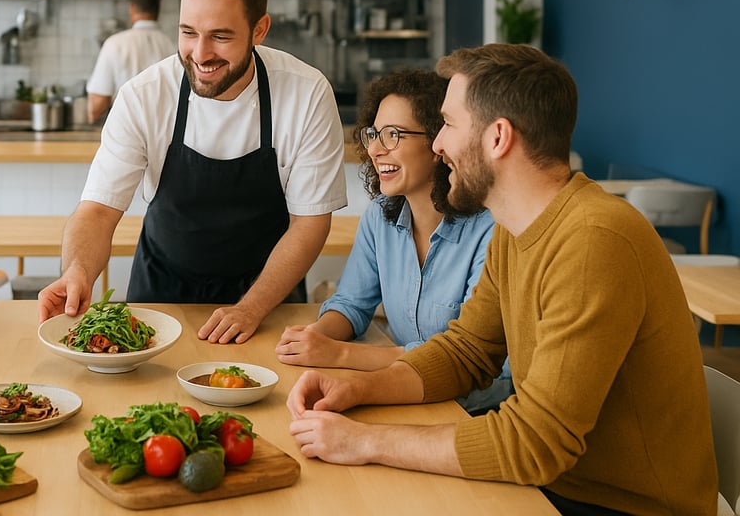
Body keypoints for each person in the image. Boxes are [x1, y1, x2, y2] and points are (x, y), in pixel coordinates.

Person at [285, 44, 716, 516]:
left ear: (497, 138)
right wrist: (358, 389)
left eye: (448, 124)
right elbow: (465, 352)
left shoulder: (594, 239)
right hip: (552, 488)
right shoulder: (517, 229)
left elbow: (535, 443)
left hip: (617, 506)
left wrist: (367, 440)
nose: (437, 145)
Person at [38, 0, 347, 344]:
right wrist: (77, 271)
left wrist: (251, 308)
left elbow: (310, 223)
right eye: (188, 33)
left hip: (268, 301)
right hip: (161, 296)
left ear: (259, 29)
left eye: (220, 36)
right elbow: (98, 210)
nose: (200, 55)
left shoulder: (306, 93)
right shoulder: (144, 95)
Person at [275, 69, 512, 414]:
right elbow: (352, 304)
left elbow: (467, 360)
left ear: (437, 143)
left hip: (471, 415)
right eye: (374, 134)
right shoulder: (380, 216)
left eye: (393, 135)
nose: (374, 149)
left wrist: (341, 354)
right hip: (404, 397)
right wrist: (317, 337)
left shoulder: (489, 231)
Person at [86, 0, 176, 122]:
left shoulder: (115, 43)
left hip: (125, 125)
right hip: (164, 127)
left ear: (132, 8)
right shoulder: (172, 44)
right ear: (158, 10)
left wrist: (93, 117)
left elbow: (98, 103)